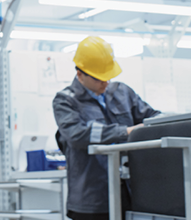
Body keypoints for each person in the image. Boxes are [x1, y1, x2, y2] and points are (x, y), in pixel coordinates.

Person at [52, 36, 161, 220]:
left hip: (129, 193)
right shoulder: (65, 101)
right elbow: (78, 135)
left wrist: (166, 123)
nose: (105, 83)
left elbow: (151, 116)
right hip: (91, 200)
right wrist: (125, 132)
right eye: (99, 79)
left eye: (108, 77)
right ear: (80, 75)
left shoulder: (123, 93)